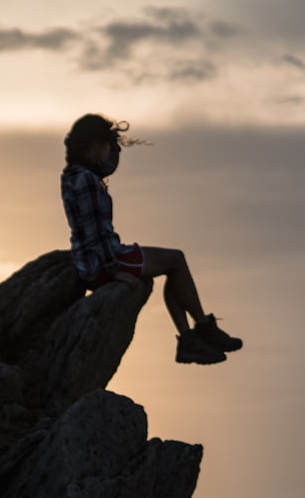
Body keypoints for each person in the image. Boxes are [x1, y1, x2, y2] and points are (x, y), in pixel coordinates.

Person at [60, 112, 242, 365]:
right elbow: (95, 234)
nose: (109, 151)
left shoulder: (73, 176)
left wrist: (113, 147)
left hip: (96, 259)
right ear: (93, 146)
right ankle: (199, 330)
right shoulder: (86, 181)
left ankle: (192, 336)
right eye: (105, 145)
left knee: (174, 263)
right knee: (176, 260)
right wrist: (114, 272)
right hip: (104, 262)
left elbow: (107, 168)